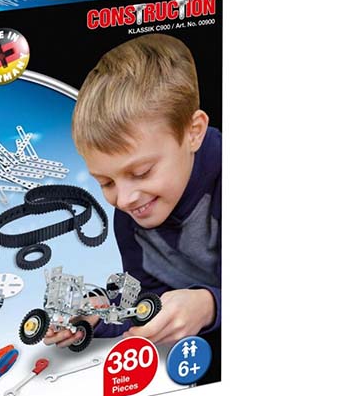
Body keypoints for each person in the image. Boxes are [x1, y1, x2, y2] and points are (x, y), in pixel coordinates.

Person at [45, 34, 221, 351]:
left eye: (141, 173)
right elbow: (146, 299)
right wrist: (99, 314)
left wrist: (210, 305)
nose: (124, 200)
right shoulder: (134, 210)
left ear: (193, 133)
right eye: (106, 182)